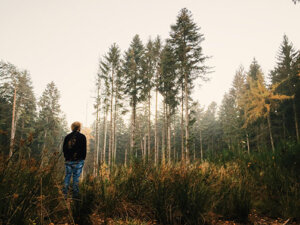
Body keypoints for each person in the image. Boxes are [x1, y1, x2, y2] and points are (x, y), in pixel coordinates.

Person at [62, 121, 86, 199]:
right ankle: (75, 197)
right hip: (78, 161)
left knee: (67, 177)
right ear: (79, 127)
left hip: (68, 160)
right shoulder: (82, 137)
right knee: (76, 178)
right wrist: (83, 158)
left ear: (72, 127)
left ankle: (64, 195)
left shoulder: (67, 137)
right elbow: (84, 149)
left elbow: (64, 149)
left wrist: (66, 158)